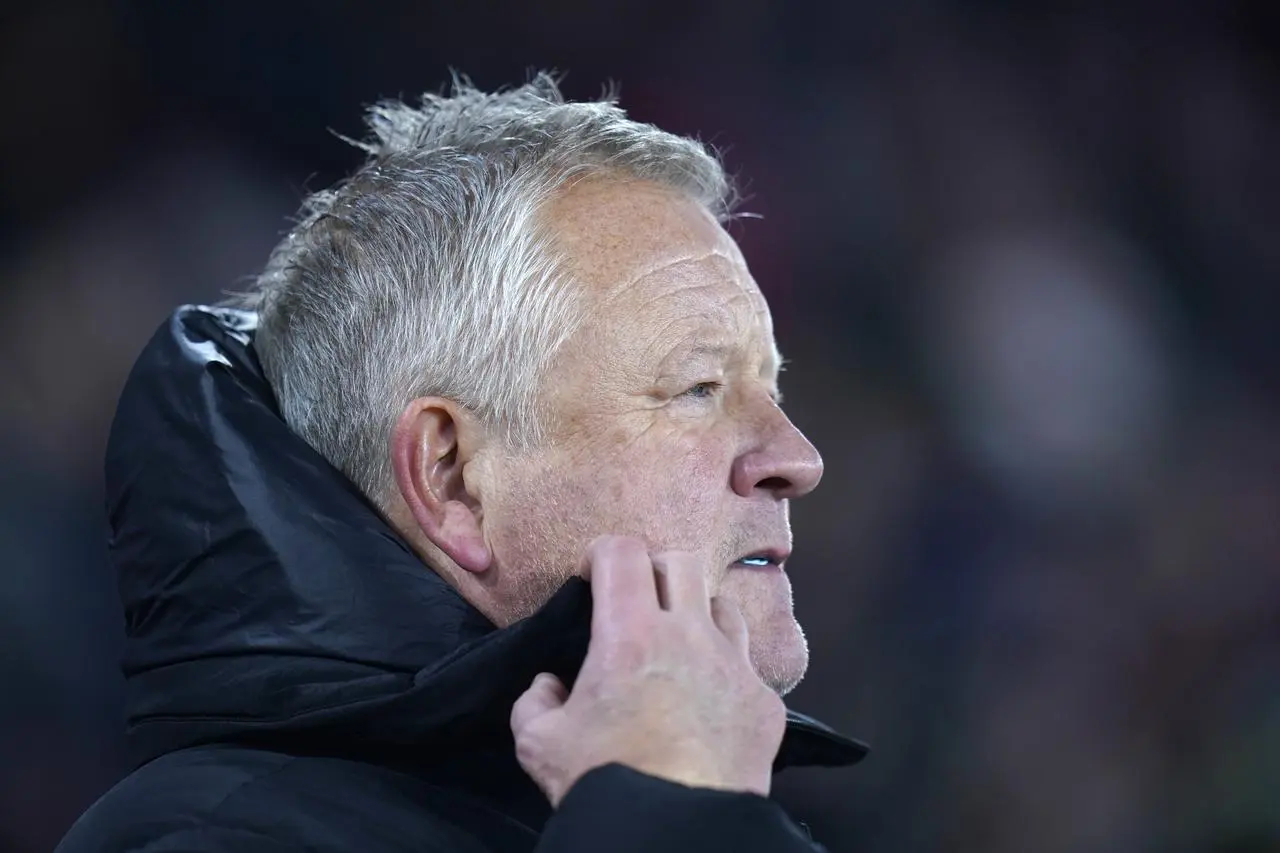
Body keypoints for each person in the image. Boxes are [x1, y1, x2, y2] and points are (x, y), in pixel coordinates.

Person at [56, 74, 867, 853]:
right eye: (698, 389)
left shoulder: (685, 799)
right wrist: (676, 820)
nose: (796, 458)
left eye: (771, 389)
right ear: (453, 478)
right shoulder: (208, 838)